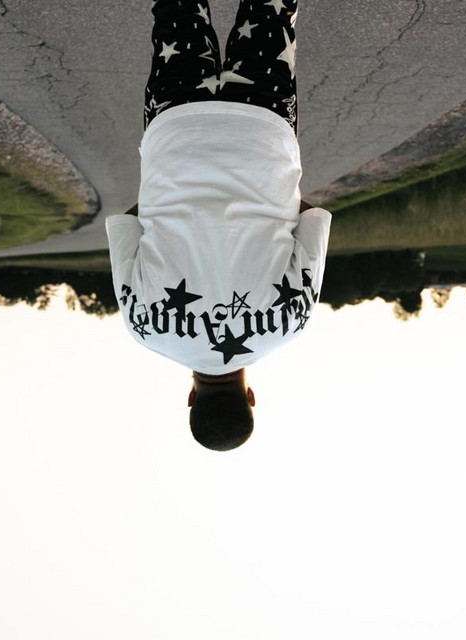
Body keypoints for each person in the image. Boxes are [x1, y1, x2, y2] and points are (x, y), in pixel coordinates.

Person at [106, 0, 332, 451]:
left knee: (271, 9)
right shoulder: (142, 326)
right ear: (191, 398)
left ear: (250, 398)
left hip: (263, 124)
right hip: (176, 125)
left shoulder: (292, 323)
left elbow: (310, 219)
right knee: (178, 9)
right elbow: (130, 223)